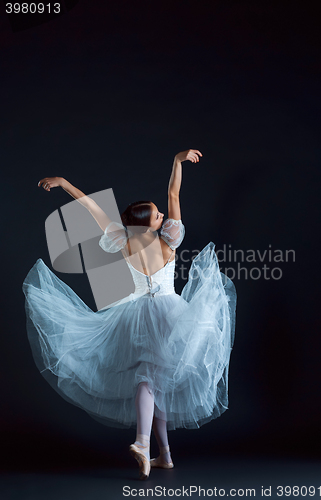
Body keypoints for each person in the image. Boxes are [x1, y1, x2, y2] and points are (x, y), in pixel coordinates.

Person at [22, 149, 237, 480]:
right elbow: (174, 193)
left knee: (152, 378)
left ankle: (162, 454)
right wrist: (177, 162)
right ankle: (142, 442)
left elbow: (93, 209)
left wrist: (66, 185)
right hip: (168, 313)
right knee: (152, 379)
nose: (162, 214)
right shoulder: (169, 240)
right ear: (148, 223)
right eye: (156, 215)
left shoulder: (123, 240)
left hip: (134, 313)